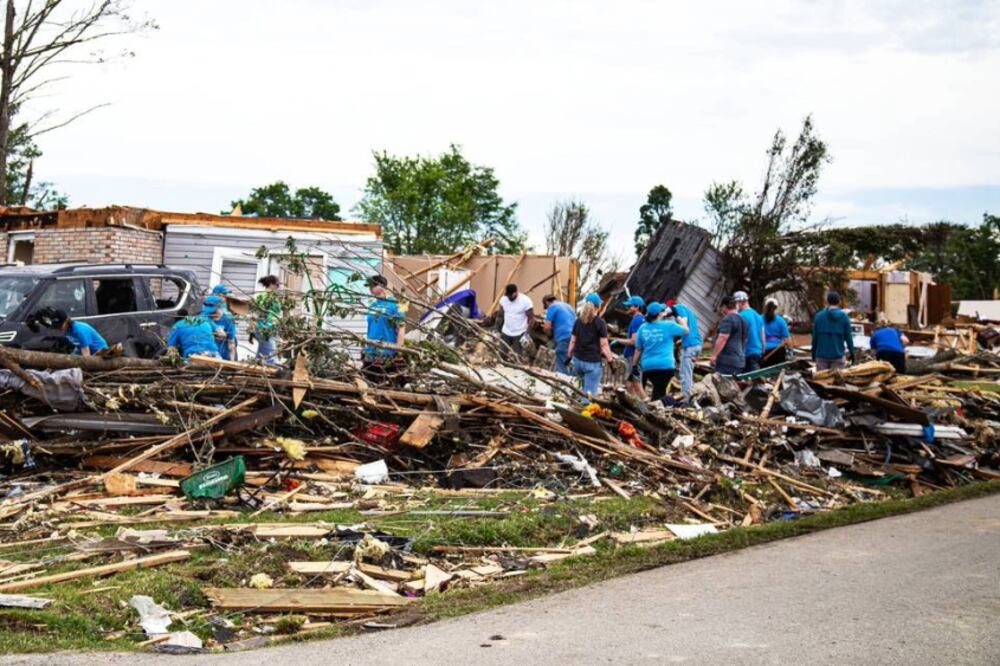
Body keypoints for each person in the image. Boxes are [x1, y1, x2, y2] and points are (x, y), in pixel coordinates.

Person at [634, 302, 689, 401]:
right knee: (659, 394)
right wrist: (678, 316)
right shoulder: (669, 325)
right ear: (659, 314)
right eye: (662, 311)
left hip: (648, 366)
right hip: (665, 366)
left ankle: (648, 407)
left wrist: (634, 365)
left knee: (650, 393)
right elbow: (686, 330)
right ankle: (655, 410)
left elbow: (638, 349)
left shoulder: (642, 328)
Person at [567, 293, 616, 400]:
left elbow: (572, 342)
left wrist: (569, 357)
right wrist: (611, 361)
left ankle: (575, 407)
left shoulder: (578, 321)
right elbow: (604, 345)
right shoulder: (600, 323)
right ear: (598, 307)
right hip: (592, 363)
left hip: (577, 361)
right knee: (588, 396)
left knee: (578, 391)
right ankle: (583, 412)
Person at [364, 275, 406, 375]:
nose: (371, 289)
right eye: (370, 287)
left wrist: (398, 350)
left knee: (385, 383)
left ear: (382, 286)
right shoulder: (372, 306)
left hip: (387, 351)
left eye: (373, 286)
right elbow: (370, 327)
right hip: (370, 350)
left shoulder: (396, 305)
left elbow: (401, 328)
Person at [33, 307, 108, 357]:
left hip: (99, 352)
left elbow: (86, 354)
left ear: (66, 321)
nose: (59, 328)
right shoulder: (67, 330)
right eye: (57, 326)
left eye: (60, 326)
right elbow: (78, 347)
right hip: (84, 350)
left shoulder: (79, 330)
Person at [812, 291, 855, 371]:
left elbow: (815, 338)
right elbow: (849, 338)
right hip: (838, 356)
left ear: (827, 301)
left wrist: (813, 353)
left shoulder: (819, 317)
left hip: (821, 356)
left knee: (822, 381)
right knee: (836, 382)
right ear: (839, 301)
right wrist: (852, 353)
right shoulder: (844, 317)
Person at [670, 300, 702, 401]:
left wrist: (675, 313)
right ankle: (688, 396)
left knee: (685, 373)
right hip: (696, 345)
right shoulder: (688, 310)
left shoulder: (679, 309)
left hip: (690, 346)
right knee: (688, 373)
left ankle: (685, 400)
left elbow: (685, 326)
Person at [710, 296, 748, 376]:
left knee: (721, 386)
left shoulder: (728, 319)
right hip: (740, 361)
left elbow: (723, 338)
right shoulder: (743, 320)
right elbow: (745, 340)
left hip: (727, 361)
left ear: (724, 306)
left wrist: (714, 355)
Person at [617, 295, 646, 397]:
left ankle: (648, 407)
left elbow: (634, 341)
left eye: (630, 306)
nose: (627, 308)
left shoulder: (637, 320)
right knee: (629, 385)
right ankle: (635, 405)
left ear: (637, 306)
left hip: (634, 357)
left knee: (637, 384)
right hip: (633, 357)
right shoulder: (641, 320)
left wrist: (618, 341)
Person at [542, 294, 576, 375]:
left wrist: (549, 335)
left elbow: (547, 327)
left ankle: (563, 382)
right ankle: (575, 381)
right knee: (572, 360)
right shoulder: (568, 307)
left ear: (547, 302)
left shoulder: (552, 307)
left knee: (561, 358)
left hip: (563, 337)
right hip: (575, 336)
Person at [497, 283, 533, 358]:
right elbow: (500, 315)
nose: (508, 297)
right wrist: (496, 330)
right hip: (506, 331)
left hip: (519, 333)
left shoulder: (525, 301)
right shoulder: (504, 299)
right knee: (501, 354)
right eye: (506, 296)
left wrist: (527, 334)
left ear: (515, 293)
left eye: (509, 296)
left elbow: (531, 319)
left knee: (518, 356)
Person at [734, 291, 766, 373]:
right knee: (754, 378)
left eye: (735, 303)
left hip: (746, 352)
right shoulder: (758, 315)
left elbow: (741, 337)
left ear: (741, 302)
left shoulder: (741, 316)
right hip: (757, 352)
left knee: (746, 380)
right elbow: (763, 336)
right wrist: (763, 351)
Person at [253, 275, 281, 363]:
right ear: (271, 284)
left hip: (270, 328)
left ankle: (254, 369)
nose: (278, 287)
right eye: (277, 285)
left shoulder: (273, 297)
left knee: (262, 353)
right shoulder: (263, 297)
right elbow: (256, 313)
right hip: (264, 328)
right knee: (270, 355)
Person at [203, 295, 237, 361]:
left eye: (213, 311)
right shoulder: (205, 318)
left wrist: (232, 362)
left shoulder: (227, 320)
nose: (211, 314)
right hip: (208, 357)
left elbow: (231, 343)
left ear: (219, 307)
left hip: (223, 357)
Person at [762, 298, 791, 367]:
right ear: (776, 308)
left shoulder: (759, 319)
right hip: (778, 351)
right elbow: (787, 340)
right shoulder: (781, 321)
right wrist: (790, 350)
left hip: (762, 351)